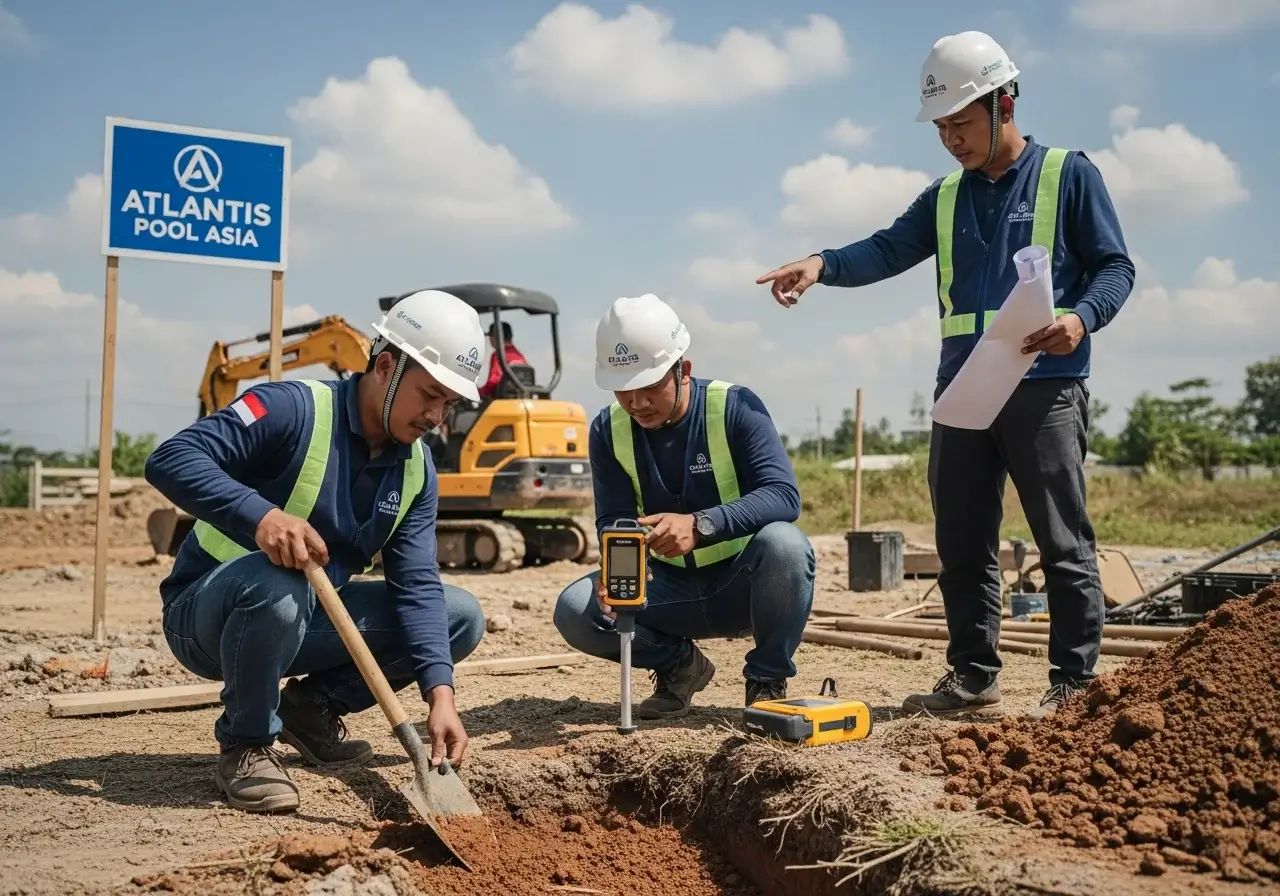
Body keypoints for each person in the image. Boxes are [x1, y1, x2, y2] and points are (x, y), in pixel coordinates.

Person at [756, 31, 1134, 720]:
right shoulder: (944, 198)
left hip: (1045, 385)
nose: (951, 139)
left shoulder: (1069, 175)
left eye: (961, 122)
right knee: (961, 540)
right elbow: (885, 249)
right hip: (964, 390)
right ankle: (973, 675)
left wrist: (1081, 319)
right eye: (941, 128)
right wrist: (820, 264)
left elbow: (1116, 267)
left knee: (1062, 541)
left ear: (1004, 104)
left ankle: (1074, 684)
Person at [144, 289, 490, 813]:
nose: (437, 415)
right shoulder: (291, 409)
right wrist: (261, 517)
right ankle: (246, 745)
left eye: (450, 404)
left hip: (300, 619)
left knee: (457, 615)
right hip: (207, 618)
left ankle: (311, 710)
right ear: (386, 367)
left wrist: (440, 693)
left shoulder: (417, 470)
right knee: (280, 580)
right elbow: (171, 458)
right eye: (430, 395)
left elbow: (416, 584)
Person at [552, 294, 816, 719]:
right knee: (576, 609)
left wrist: (701, 524)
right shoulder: (607, 430)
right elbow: (614, 519)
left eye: (649, 386)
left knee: (786, 545)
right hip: (666, 592)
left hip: (741, 588)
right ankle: (679, 665)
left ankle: (766, 679)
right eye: (624, 389)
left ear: (683, 370)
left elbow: (783, 495)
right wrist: (619, 566)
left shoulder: (735, 407)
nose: (636, 403)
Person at [478, 321, 529, 400]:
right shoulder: (519, 356)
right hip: (520, 398)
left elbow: (493, 381)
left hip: (501, 399)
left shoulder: (499, 355)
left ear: (496, 337)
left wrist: (478, 392)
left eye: (491, 336)